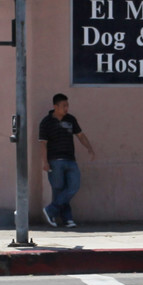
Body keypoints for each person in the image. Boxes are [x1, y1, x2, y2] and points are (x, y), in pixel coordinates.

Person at [37, 93, 95, 227]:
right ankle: (67, 219)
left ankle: (50, 210)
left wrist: (89, 148)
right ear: (55, 106)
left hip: (70, 159)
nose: (66, 108)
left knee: (73, 186)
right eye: (64, 106)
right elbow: (43, 144)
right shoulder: (46, 122)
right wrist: (45, 162)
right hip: (55, 160)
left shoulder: (71, 119)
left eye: (67, 105)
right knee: (59, 189)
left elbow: (80, 135)